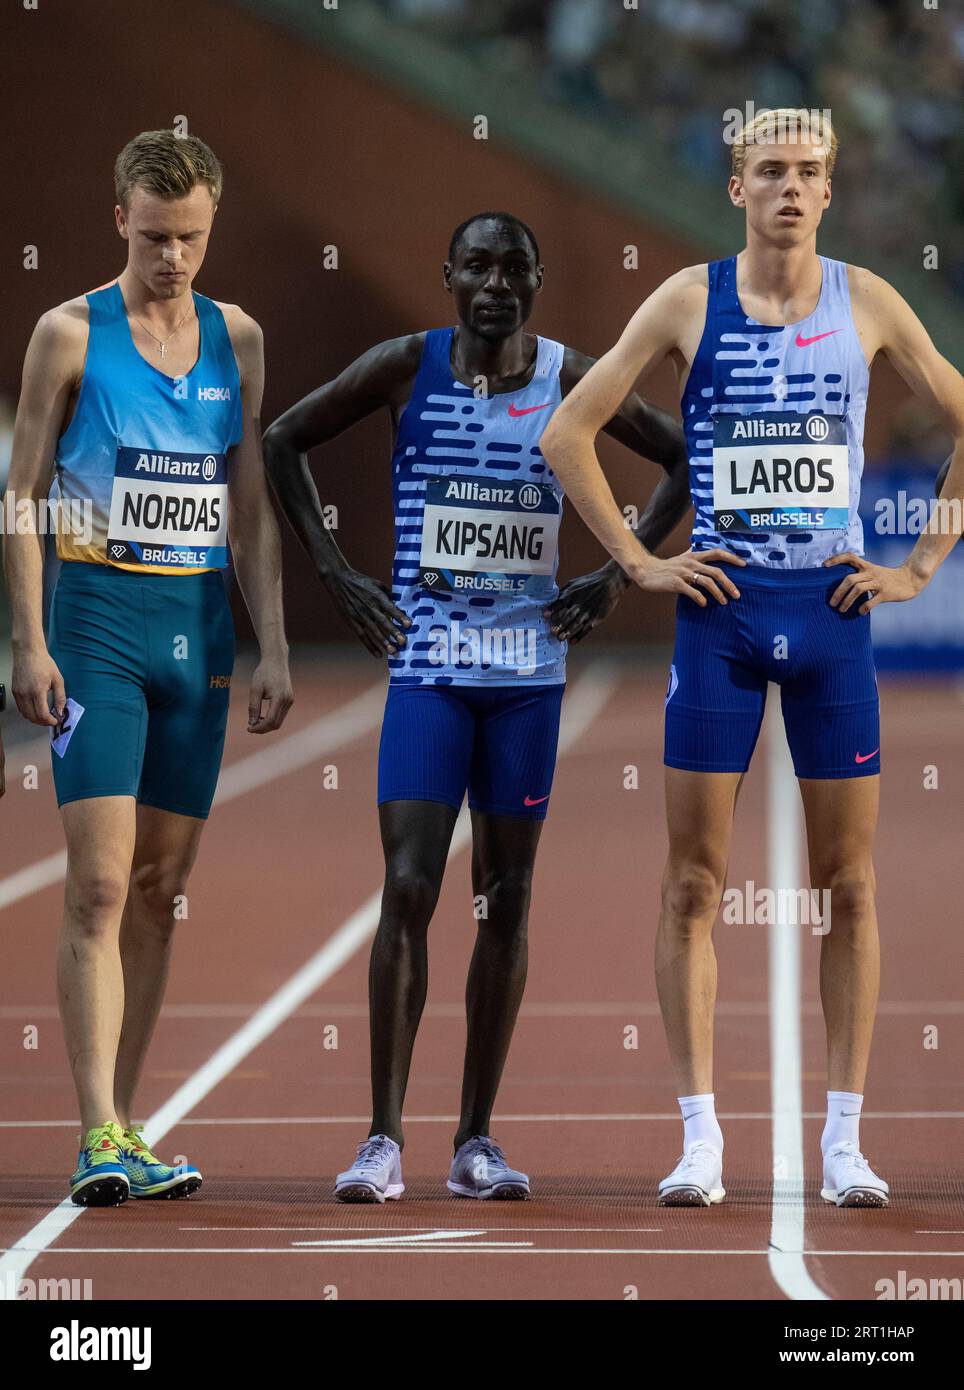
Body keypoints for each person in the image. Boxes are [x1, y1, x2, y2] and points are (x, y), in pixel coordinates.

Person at [541, 108, 964, 1208]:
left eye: (808, 171)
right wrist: (636, 560)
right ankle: (697, 1136)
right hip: (719, 613)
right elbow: (564, 432)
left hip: (831, 611)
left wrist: (919, 564)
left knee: (850, 890)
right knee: (691, 883)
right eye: (769, 169)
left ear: (829, 189)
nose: (788, 186)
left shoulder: (866, 300)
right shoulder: (688, 299)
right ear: (736, 186)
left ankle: (842, 1141)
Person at [264, 211, 731, 1202]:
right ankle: (381, 1140)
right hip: (429, 665)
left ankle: (475, 1139)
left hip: (527, 676)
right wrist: (341, 575)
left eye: (513, 267)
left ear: (536, 282)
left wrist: (617, 574)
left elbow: (686, 458)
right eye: (476, 265)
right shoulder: (406, 365)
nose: (494, 283)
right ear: (447, 275)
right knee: (407, 887)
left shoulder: (572, 375)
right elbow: (281, 440)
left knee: (506, 899)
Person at [5, 130, 293, 1206]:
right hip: (97, 627)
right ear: (118, 217)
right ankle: (92, 1136)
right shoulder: (67, 334)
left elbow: (252, 502)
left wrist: (267, 637)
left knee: (163, 892)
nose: (173, 256)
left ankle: (124, 1126)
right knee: (97, 883)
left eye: (192, 238)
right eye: (155, 234)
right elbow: (22, 494)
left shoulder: (240, 340)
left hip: (199, 637)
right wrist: (27, 640)